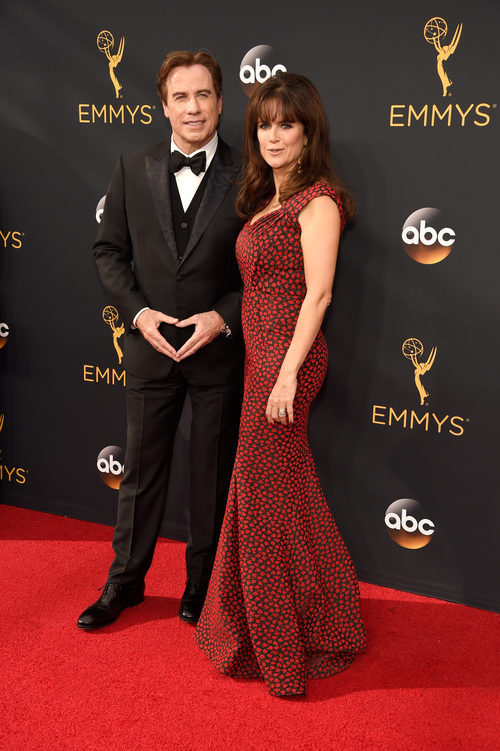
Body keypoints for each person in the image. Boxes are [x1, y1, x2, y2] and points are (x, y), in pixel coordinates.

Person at [195, 72, 366, 696]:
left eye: (286, 123)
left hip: (287, 362)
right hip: (259, 359)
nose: (273, 135)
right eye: (264, 124)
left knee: (266, 496)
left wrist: (288, 373)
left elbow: (317, 293)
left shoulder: (318, 201)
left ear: (308, 130)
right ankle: (310, 615)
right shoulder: (266, 200)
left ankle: (284, 643)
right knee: (274, 493)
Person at [77, 51, 244, 630]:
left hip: (217, 352)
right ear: (164, 104)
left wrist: (221, 318)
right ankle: (124, 584)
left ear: (221, 102)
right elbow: (109, 252)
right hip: (148, 346)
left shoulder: (251, 175)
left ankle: (202, 586)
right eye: (181, 96)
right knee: (140, 474)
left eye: (203, 95)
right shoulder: (131, 167)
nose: (192, 107)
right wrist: (140, 315)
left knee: (211, 476)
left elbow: (267, 275)